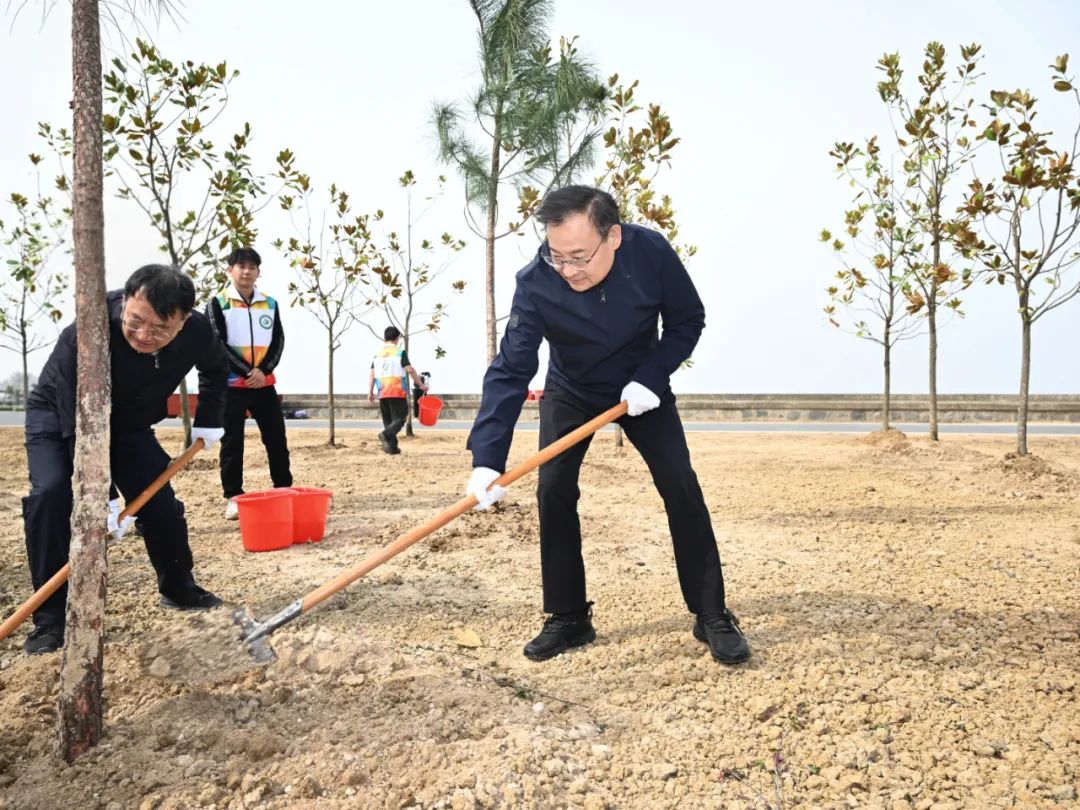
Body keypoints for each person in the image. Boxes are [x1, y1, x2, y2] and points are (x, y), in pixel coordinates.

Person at [464, 185, 750, 665]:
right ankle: (568, 616)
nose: (567, 269)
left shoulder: (650, 252)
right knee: (553, 488)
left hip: (641, 386)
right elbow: (511, 369)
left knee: (679, 483)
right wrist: (486, 460)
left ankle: (711, 612)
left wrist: (652, 376)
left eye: (579, 257)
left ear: (613, 236)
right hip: (570, 389)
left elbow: (687, 320)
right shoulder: (536, 281)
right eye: (557, 256)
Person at [21, 264, 229, 655]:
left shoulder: (199, 331)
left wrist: (209, 420)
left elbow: (217, 370)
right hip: (62, 417)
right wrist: (102, 495)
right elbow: (76, 420)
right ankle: (50, 620)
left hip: (128, 422)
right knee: (51, 496)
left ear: (183, 322)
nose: (144, 335)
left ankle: (179, 588)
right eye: (135, 322)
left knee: (159, 503)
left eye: (160, 330)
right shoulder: (88, 330)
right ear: (127, 301)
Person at [206, 247, 293, 519]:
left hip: (264, 385)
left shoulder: (270, 303)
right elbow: (217, 344)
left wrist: (263, 372)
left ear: (258, 272)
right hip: (232, 386)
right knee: (232, 443)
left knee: (276, 438)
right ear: (230, 270)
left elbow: (278, 341)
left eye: (252, 267)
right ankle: (233, 496)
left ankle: (283, 489)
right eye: (241, 266)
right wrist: (247, 372)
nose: (246, 272)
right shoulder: (218, 303)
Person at [368, 326, 428, 454]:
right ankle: (385, 434)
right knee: (401, 418)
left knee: (389, 421)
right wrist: (420, 385)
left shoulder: (377, 355)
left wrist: (370, 392)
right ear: (397, 338)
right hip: (396, 391)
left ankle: (392, 448)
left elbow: (372, 374)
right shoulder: (400, 353)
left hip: (382, 392)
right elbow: (409, 369)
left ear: (385, 338)